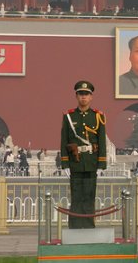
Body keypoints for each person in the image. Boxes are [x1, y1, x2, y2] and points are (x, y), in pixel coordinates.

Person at [60, 80, 107, 229]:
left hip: (91, 162)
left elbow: (101, 141)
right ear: (76, 96)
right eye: (81, 94)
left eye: (86, 94)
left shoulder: (98, 116)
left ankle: (88, 227)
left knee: (89, 197)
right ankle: (74, 227)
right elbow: (64, 140)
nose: (84, 97)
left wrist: (101, 164)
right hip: (75, 162)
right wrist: (65, 163)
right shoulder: (69, 116)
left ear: (91, 97)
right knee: (76, 197)